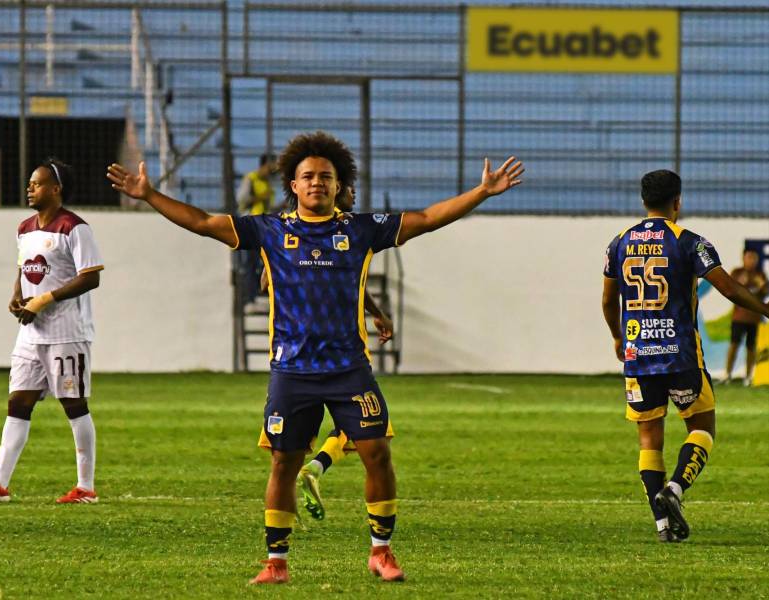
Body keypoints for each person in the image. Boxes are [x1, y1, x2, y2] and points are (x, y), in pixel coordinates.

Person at [107, 131, 522, 584]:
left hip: (350, 369)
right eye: (308, 176)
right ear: (293, 184)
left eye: (326, 176)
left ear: (339, 184)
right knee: (283, 463)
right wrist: (149, 195)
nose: (317, 182)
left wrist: (481, 192)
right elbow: (204, 222)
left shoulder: (362, 229)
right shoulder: (269, 230)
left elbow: (424, 218)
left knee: (377, 453)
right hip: (293, 373)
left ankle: (381, 552)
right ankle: (276, 562)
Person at [602, 170, 769, 543]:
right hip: (680, 355)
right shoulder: (690, 242)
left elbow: (608, 300)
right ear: (678, 202)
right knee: (702, 428)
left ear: (643, 201)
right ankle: (675, 488)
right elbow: (727, 288)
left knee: (649, 439)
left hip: (638, 353)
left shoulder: (619, 242)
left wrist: (617, 337)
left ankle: (663, 526)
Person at [0, 158, 104, 504]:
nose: (30, 188)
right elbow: (24, 268)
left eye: (37, 184)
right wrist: (17, 295)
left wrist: (46, 299)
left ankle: (86, 488)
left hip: (66, 332)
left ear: (56, 189)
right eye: (29, 183)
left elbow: (91, 276)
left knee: (73, 404)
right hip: (31, 333)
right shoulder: (24, 227)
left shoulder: (74, 228)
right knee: (18, 402)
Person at [294, 185, 393, 522]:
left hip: (325, 356)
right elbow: (269, 279)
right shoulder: (307, 231)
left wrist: (375, 311)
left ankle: (315, 469)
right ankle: (314, 469)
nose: (353, 193)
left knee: (352, 427)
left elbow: (349, 284)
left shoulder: (350, 230)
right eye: (348, 188)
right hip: (340, 353)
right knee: (369, 430)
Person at [237, 153, 277, 310]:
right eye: (271, 167)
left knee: (264, 262)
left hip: (263, 227)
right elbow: (242, 200)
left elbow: (267, 208)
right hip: (249, 225)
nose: (273, 171)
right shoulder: (251, 179)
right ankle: (249, 299)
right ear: (264, 165)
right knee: (248, 262)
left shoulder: (268, 184)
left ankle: (262, 295)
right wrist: (261, 196)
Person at [722, 249, 768, 386]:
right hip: (739, 317)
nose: (752, 261)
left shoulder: (760, 275)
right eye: (749, 258)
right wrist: (741, 282)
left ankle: (748, 376)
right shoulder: (737, 273)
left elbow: (765, 293)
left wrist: (762, 285)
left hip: (754, 318)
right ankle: (727, 374)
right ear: (743, 258)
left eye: (754, 258)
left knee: (751, 347)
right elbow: (729, 289)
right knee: (734, 345)